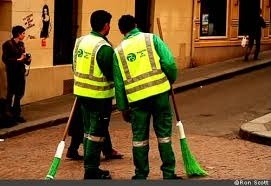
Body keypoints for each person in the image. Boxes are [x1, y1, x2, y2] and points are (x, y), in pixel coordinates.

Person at [113, 15, 181, 179]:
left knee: (139, 139)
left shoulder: (118, 51)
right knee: (164, 135)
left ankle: (141, 175)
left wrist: (123, 107)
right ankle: (168, 173)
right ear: (136, 25)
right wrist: (169, 80)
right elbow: (170, 63)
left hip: (137, 100)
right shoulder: (152, 39)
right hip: (159, 95)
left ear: (121, 31)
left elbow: (119, 83)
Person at [72, 10, 122, 179]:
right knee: (96, 133)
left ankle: (90, 166)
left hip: (81, 93)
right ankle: (91, 169)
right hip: (99, 97)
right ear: (106, 25)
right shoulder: (104, 48)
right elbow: (112, 75)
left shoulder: (80, 41)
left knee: (87, 131)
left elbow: (75, 66)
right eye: (109, 24)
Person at [2, 25, 31, 123]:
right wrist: (18, 60)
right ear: (18, 34)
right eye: (23, 33)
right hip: (12, 73)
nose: (24, 35)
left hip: (20, 72)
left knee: (19, 93)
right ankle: (8, 114)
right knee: (11, 93)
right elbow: (5, 59)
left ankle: (16, 114)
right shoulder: (8, 44)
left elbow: (24, 59)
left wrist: (27, 60)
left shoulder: (21, 44)